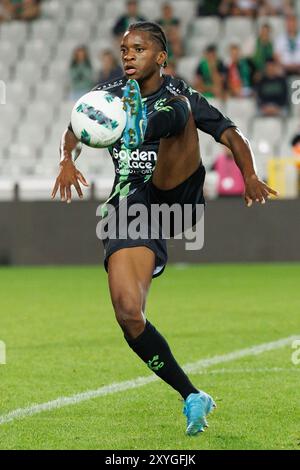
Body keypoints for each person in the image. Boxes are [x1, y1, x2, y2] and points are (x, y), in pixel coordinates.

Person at [51, 21, 278, 436]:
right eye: (123, 49)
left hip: (177, 191)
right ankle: (192, 395)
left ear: (160, 57)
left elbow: (231, 133)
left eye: (138, 49)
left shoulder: (183, 93)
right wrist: (68, 159)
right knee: (128, 314)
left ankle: (146, 127)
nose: (128, 55)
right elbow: (75, 128)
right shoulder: (109, 96)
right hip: (133, 209)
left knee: (181, 112)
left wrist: (249, 175)